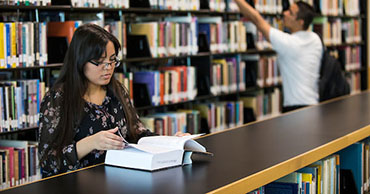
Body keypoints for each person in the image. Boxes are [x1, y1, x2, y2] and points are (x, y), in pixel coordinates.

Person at [38, 23, 187, 178]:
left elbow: (136, 134)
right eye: (99, 61)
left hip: (120, 179)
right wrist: (91, 143)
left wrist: (170, 142)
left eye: (112, 60)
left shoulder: (117, 91)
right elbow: (48, 161)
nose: (108, 68)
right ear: (80, 60)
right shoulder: (58, 99)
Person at [234, 0, 323, 112]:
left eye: (290, 13)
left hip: (296, 108)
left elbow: (257, 19)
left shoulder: (289, 44)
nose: (284, 13)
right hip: (313, 105)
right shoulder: (315, 39)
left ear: (300, 22)